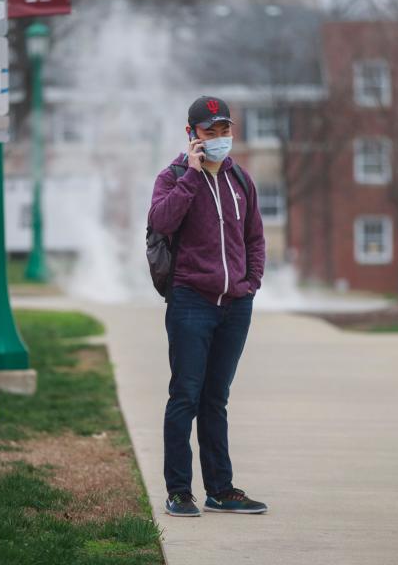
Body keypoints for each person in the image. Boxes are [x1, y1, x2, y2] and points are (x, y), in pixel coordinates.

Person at [147, 95, 268, 517]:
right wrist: (192, 177)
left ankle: (221, 488)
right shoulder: (174, 177)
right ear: (191, 135)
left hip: (235, 306)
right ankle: (179, 491)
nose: (219, 139)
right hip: (190, 301)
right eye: (209, 132)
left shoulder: (241, 181)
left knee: (216, 398)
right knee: (185, 396)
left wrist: (250, 284)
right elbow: (160, 222)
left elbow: (254, 238)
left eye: (224, 130)